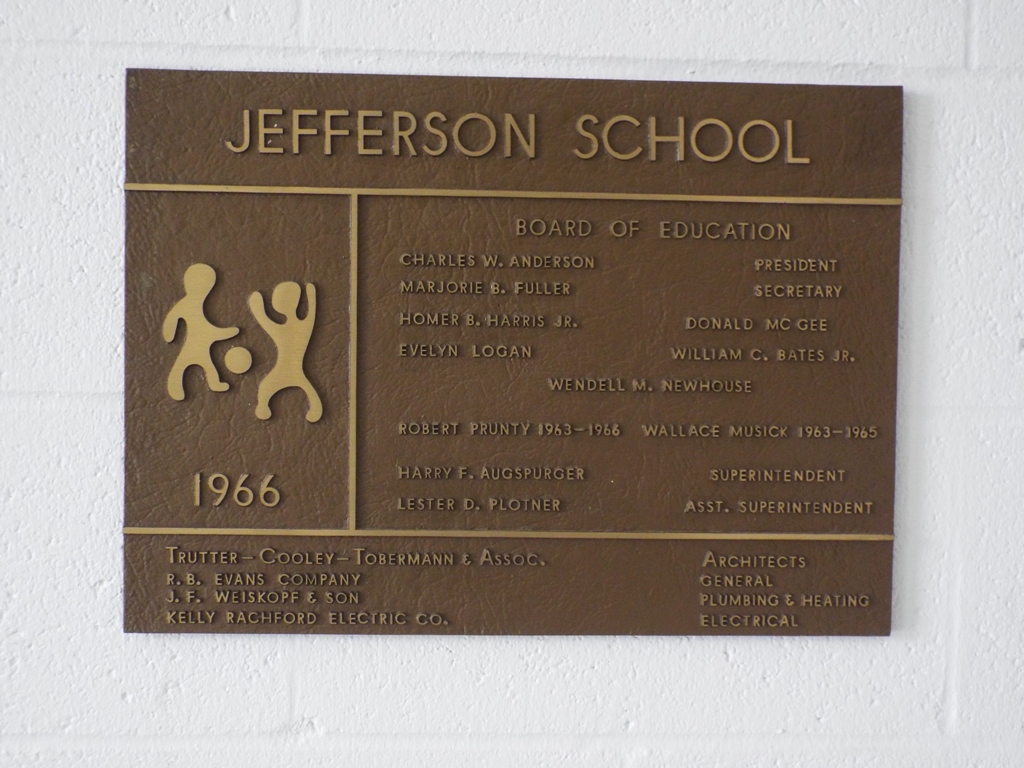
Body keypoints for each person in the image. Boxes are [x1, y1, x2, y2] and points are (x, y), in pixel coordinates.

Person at [249, 281, 323, 423]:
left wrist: (256, 304)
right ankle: (315, 409)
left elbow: (264, 320)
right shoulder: (304, 325)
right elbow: (312, 312)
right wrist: (311, 294)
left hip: (282, 371)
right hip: (295, 371)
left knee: (265, 388)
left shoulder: (283, 329)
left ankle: (263, 407)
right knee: (305, 387)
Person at [163, 263, 238, 401]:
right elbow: (205, 329)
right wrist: (227, 333)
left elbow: (173, 319)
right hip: (194, 346)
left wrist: (170, 334)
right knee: (183, 366)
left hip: (201, 347)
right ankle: (176, 388)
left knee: (206, 367)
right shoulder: (187, 304)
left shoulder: (189, 304)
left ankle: (214, 384)